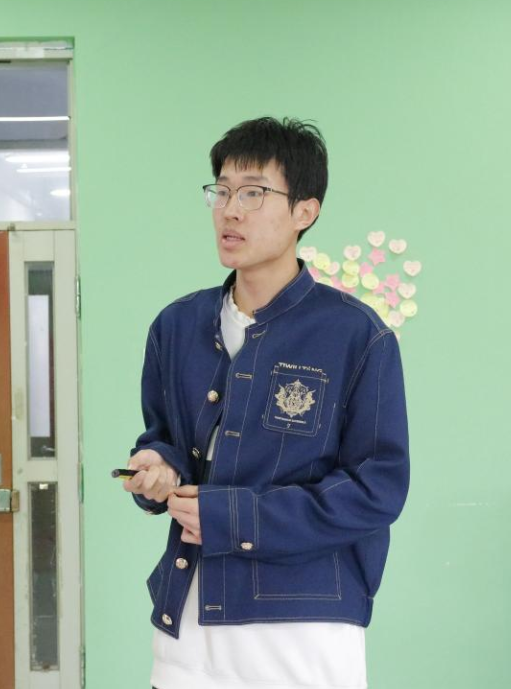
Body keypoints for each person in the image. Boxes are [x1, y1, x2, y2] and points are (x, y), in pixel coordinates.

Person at [122, 117, 410, 689]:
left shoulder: (357, 335)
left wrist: (234, 517)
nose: (230, 210)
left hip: (303, 633)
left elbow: (375, 490)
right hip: (187, 625)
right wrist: (157, 467)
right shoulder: (175, 326)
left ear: (305, 211)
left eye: (253, 193)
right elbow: (166, 440)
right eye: (222, 191)